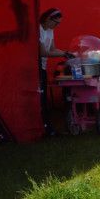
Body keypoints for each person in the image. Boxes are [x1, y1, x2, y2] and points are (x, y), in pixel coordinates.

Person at [38, 8, 70, 138]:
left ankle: (49, 129)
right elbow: (43, 52)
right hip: (36, 68)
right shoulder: (38, 30)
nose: (56, 26)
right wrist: (63, 54)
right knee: (40, 100)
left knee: (44, 99)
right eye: (55, 23)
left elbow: (52, 49)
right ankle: (45, 129)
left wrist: (65, 53)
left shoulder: (50, 31)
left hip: (43, 67)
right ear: (48, 19)